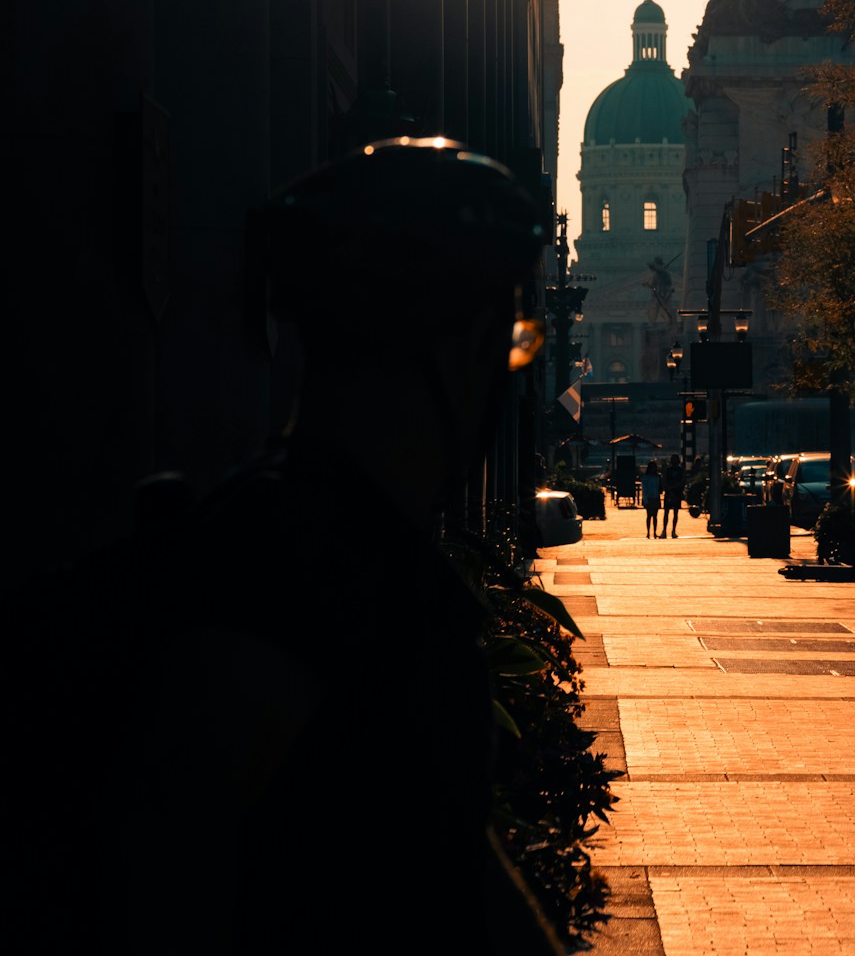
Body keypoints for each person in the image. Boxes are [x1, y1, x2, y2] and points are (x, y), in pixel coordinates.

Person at [57, 138, 565, 953]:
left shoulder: (331, 553)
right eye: (511, 339)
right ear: (456, 348)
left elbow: (450, 870)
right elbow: (162, 871)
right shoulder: (298, 580)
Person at [662, 454, 686, 536]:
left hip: (676, 492)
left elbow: (682, 481)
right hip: (671, 492)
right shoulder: (668, 470)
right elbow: (664, 480)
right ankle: (665, 530)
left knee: (675, 513)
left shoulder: (680, 470)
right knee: (667, 512)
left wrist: (671, 487)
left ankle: (673, 530)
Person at [642, 460, 663, 536]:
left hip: (656, 497)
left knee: (655, 516)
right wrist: (645, 499)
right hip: (649, 497)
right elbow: (644, 489)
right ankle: (648, 532)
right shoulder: (646, 477)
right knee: (649, 516)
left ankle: (654, 532)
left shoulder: (657, 477)